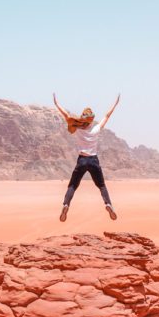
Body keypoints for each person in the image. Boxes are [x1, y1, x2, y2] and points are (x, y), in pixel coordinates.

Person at [53, 92, 120, 222]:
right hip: (94, 160)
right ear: (92, 119)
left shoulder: (78, 128)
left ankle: (66, 205)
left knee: (72, 185)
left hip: (82, 160)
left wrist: (56, 104)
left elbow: (66, 115)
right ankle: (108, 204)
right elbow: (107, 116)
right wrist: (115, 104)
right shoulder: (96, 129)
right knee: (101, 185)